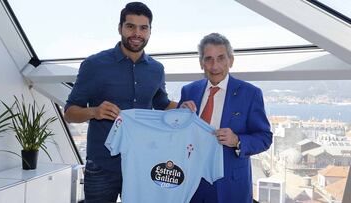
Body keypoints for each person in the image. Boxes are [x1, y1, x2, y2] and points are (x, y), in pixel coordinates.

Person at [64, 2, 177, 202]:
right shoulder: (93, 65)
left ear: (150, 31)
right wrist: (94, 112)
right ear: (120, 28)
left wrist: (183, 108)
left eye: (143, 28)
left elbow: (161, 104)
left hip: (141, 163)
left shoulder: (157, 69)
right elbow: (70, 112)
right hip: (101, 165)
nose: (137, 33)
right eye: (130, 26)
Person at [179, 33, 273, 203]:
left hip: (230, 185)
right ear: (201, 63)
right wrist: (179, 115)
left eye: (221, 58)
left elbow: (265, 138)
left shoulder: (250, 94)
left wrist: (237, 140)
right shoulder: (188, 91)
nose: (215, 66)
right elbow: (177, 134)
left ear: (231, 60)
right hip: (191, 181)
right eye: (208, 59)